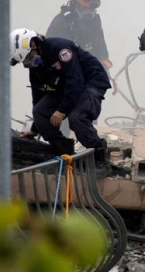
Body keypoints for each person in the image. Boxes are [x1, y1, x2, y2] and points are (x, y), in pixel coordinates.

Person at [10, 28, 111, 175]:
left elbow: (75, 81)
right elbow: (38, 93)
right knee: (39, 111)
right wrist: (35, 127)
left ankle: (99, 158)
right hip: (67, 86)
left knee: (77, 117)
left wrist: (62, 110)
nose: (28, 62)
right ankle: (64, 153)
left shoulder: (60, 49)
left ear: (33, 46)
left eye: (27, 57)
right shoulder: (36, 63)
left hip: (90, 81)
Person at [47, 0, 112, 70]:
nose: (89, 13)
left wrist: (104, 65)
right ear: (75, 1)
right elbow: (48, 57)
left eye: (92, 9)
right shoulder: (60, 23)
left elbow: (101, 48)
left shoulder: (95, 21)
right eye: (85, 9)